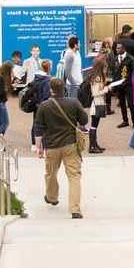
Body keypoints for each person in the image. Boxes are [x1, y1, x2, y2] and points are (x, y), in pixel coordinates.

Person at [35, 78, 88, 219]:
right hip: (70, 145)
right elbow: (84, 120)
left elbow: (38, 128)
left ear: (51, 89)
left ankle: (52, 197)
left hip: (51, 146)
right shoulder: (73, 102)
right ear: (64, 88)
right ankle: (75, 208)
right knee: (74, 176)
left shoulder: (44, 106)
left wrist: (39, 147)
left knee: (51, 173)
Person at [112, 41, 134, 128]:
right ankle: (125, 121)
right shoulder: (116, 59)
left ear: (123, 49)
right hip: (119, 85)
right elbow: (115, 72)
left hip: (129, 85)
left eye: (119, 48)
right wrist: (114, 84)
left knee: (130, 104)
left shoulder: (130, 59)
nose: (117, 49)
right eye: (116, 48)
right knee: (122, 103)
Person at [29, 60, 53, 153]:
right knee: (45, 125)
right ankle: (44, 146)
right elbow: (46, 95)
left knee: (35, 123)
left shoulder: (36, 78)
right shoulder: (47, 80)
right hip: (44, 106)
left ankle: (34, 144)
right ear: (48, 68)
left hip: (36, 105)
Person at [86, 57, 109, 153]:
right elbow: (95, 93)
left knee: (95, 125)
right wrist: (106, 89)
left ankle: (94, 145)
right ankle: (92, 146)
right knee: (94, 126)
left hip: (97, 102)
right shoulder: (97, 77)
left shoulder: (96, 76)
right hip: (97, 102)